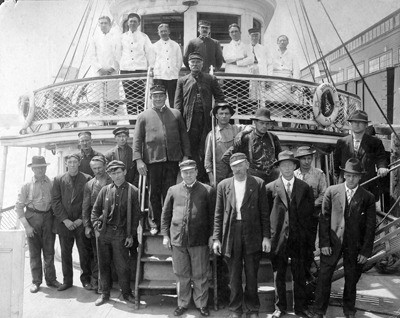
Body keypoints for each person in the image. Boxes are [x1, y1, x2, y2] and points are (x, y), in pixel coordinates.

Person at [312, 158, 376, 318]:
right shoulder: (332, 192)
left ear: (360, 177)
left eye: (355, 175)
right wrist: (324, 243)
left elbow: (370, 227)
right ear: (344, 175)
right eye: (348, 175)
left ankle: (349, 310)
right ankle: (319, 311)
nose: (351, 179)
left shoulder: (367, 197)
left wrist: (365, 251)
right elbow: (324, 219)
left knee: (351, 278)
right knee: (324, 277)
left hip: (355, 246)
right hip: (332, 244)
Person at [213, 153, 271, 318]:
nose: (237, 169)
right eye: (234, 166)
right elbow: (218, 214)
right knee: (234, 275)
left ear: (247, 164)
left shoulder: (258, 184)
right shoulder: (223, 186)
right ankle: (235, 309)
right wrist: (217, 238)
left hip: (252, 233)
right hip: (232, 233)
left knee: (252, 274)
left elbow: (264, 213)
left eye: (240, 165)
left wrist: (266, 237)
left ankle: (252, 308)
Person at [133, 85, 191, 235]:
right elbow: (137, 140)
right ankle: (154, 222)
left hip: (172, 159)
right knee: (154, 192)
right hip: (153, 159)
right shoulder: (143, 116)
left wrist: (185, 155)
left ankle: (169, 221)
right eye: (155, 96)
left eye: (161, 96)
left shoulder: (176, 114)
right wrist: (139, 160)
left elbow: (184, 136)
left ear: (166, 97)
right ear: (151, 98)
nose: (158, 98)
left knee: (170, 191)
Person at [161, 160, 215, 317]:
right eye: (185, 172)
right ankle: (183, 303)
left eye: (191, 171)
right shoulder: (173, 190)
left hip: (199, 240)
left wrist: (212, 235)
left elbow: (213, 216)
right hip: (178, 239)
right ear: (181, 174)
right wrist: (165, 235)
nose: (188, 175)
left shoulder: (207, 190)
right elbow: (165, 215)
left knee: (200, 274)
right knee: (181, 274)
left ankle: (201, 304)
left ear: (197, 172)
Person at [265, 150, 315, 318]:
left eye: (289, 165)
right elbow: (265, 216)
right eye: (283, 165)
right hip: (278, 238)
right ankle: (280, 308)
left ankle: (300, 308)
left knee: (299, 274)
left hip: (299, 238)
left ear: (295, 166)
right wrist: (268, 237)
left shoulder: (305, 187)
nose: (286, 168)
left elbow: (309, 216)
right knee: (278, 273)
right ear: (279, 167)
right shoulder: (270, 188)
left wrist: (308, 239)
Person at [91, 160, 140, 306]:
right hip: (104, 233)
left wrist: (130, 235)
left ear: (124, 172)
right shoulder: (105, 190)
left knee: (122, 266)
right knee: (103, 264)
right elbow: (95, 211)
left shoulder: (133, 191)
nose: (116, 176)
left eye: (119, 172)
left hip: (121, 234)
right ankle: (104, 293)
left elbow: (136, 216)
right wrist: (96, 227)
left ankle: (126, 293)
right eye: (113, 173)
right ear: (109, 175)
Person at [175, 52, 225, 182]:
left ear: (202, 64)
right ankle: (192, 176)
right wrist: (178, 121)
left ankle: (203, 176)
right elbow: (178, 103)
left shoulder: (210, 79)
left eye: (198, 62)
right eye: (193, 62)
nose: (195, 64)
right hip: (189, 121)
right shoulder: (182, 81)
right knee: (190, 148)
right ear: (189, 65)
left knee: (205, 147)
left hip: (205, 120)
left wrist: (215, 111)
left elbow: (220, 97)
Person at [15, 156, 60, 293]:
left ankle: (51, 279)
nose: (40, 170)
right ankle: (36, 281)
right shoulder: (26, 186)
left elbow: (56, 203)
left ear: (46, 168)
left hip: (48, 219)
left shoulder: (51, 183)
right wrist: (27, 226)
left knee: (49, 251)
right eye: (37, 167)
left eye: (43, 167)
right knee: (34, 253)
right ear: (33, 169)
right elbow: (18, 207)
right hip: (32, 219)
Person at [52, 154, 93, 291]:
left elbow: (89, 202)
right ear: (66, 164)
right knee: (65, 253)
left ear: (79, 163)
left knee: (84, 253)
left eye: (75, 162)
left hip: (80, 223)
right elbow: (56, 202)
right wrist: (65, 220)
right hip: (65, 224)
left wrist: (81, 219)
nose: (73, 164)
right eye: (70, 162)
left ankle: (86, 280)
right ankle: (67, 281)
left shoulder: (87, 178)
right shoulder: (58, 180)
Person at [333, 110, 389, 201]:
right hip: (346, 185)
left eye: (360, 122)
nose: (357, 124)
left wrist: (381, 167)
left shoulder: (375, 142)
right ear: (351, 124)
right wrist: (339, 181)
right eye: (354, 122)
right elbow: (336, 164)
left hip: (366, 185)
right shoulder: (342, 142)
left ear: (366, 125)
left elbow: (381, 158)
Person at [222, 107, 282, 184]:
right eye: (261, 123)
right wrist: (241, 170)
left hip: (271, 178)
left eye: (267, 123)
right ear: (255, 122)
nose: (264, 126)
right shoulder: (246, 138)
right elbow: (226, 157)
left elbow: (280, 158)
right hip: (254, 179)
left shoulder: (273, 137)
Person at [294, 146, 327, 278]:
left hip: (312, 215)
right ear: (299, 160)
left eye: (309, 158)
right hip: (295, 216)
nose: (307, 161)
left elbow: (324, 194)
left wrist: (311, 205)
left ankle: (308, 272)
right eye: (304, 159)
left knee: (309, 244)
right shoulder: (294, 174)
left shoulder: (319, 174)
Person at [82, 156, 113, 292]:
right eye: (94, 168)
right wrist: (87, 225)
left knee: (114, 254)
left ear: (105, 166)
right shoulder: (89, 185)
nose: (98, 170)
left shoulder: (113, 180)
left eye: (100, 167)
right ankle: (98, 283)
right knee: (97, 254)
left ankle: (112, 282)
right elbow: (85, 207)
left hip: (113, 222)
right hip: (97, 224)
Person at [204, 101, 251, 186]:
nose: (224, 116)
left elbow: (250, 127)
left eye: (226, 113)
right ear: (217, 116)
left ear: (230, 115)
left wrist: (241, 134)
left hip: (235, 172)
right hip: (219, 175)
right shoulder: (212, 135)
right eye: (221, 113)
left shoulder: (236, 128)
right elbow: (207, 159)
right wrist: (211, 178)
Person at [120, 13, 154, 123]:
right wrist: (122, 64)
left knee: (141, 98)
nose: (132, 23)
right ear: (128, 23)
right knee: (129, 98)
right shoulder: (122, 37)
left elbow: (150, 53)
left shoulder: (144, 37)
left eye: (135, 21)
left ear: (139, 23)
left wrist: (151, 67)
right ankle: (132, 123)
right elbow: (117, 53)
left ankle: (142, 123)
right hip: (126, 71)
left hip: (140, 70)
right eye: (131, 21)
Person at [88, 15, 121, 116]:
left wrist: (112, 68)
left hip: (112, 72)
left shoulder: (116, 38)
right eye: (101, 23)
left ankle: (112, 118)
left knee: (112, 96)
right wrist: (100, 69)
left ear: (110, 25)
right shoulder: (95, 38)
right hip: (99, 72)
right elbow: (92, 56)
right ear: (99, 25)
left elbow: (118, 54)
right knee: (99, 97)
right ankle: (100, 118)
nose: (103, 25)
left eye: (105, 23)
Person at [150, 23, 183, 107]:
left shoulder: (175, 45)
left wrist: (175, 71)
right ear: (158, 33)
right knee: (159, 98)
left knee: (173, 99)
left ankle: (173, 116)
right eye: (161, 31)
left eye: (165, 31)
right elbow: (152, 62)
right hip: (159, 77)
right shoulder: (154, 46)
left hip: (172, 76)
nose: (163, 33)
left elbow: (179, 61)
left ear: (169, 32)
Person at [223, 23, 253, 108]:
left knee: (243, 103)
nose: (234, 34)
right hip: (230, 77)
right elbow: (227, 59)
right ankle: (230, 121)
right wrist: (242, 56)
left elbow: (251, 59)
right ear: (229, 34)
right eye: (232, 32)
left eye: (236, 31)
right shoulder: (226, 47)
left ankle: (244, 121)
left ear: (240, 32)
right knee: (230, 103)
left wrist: (237, 63)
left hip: (243, 76)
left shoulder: (247, 46)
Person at [247, 28, 268, 104]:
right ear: (249, 36)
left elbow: (269, 63)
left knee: (261, 93)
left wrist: (268, 77)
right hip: (248, 72)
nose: (255, 38)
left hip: (260, 71)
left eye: (256, 36)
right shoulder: (246, 48)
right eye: (253, 36)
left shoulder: (264, 49)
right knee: (250, 91)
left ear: (259, 37)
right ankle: (250, 108)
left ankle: (260, 108)